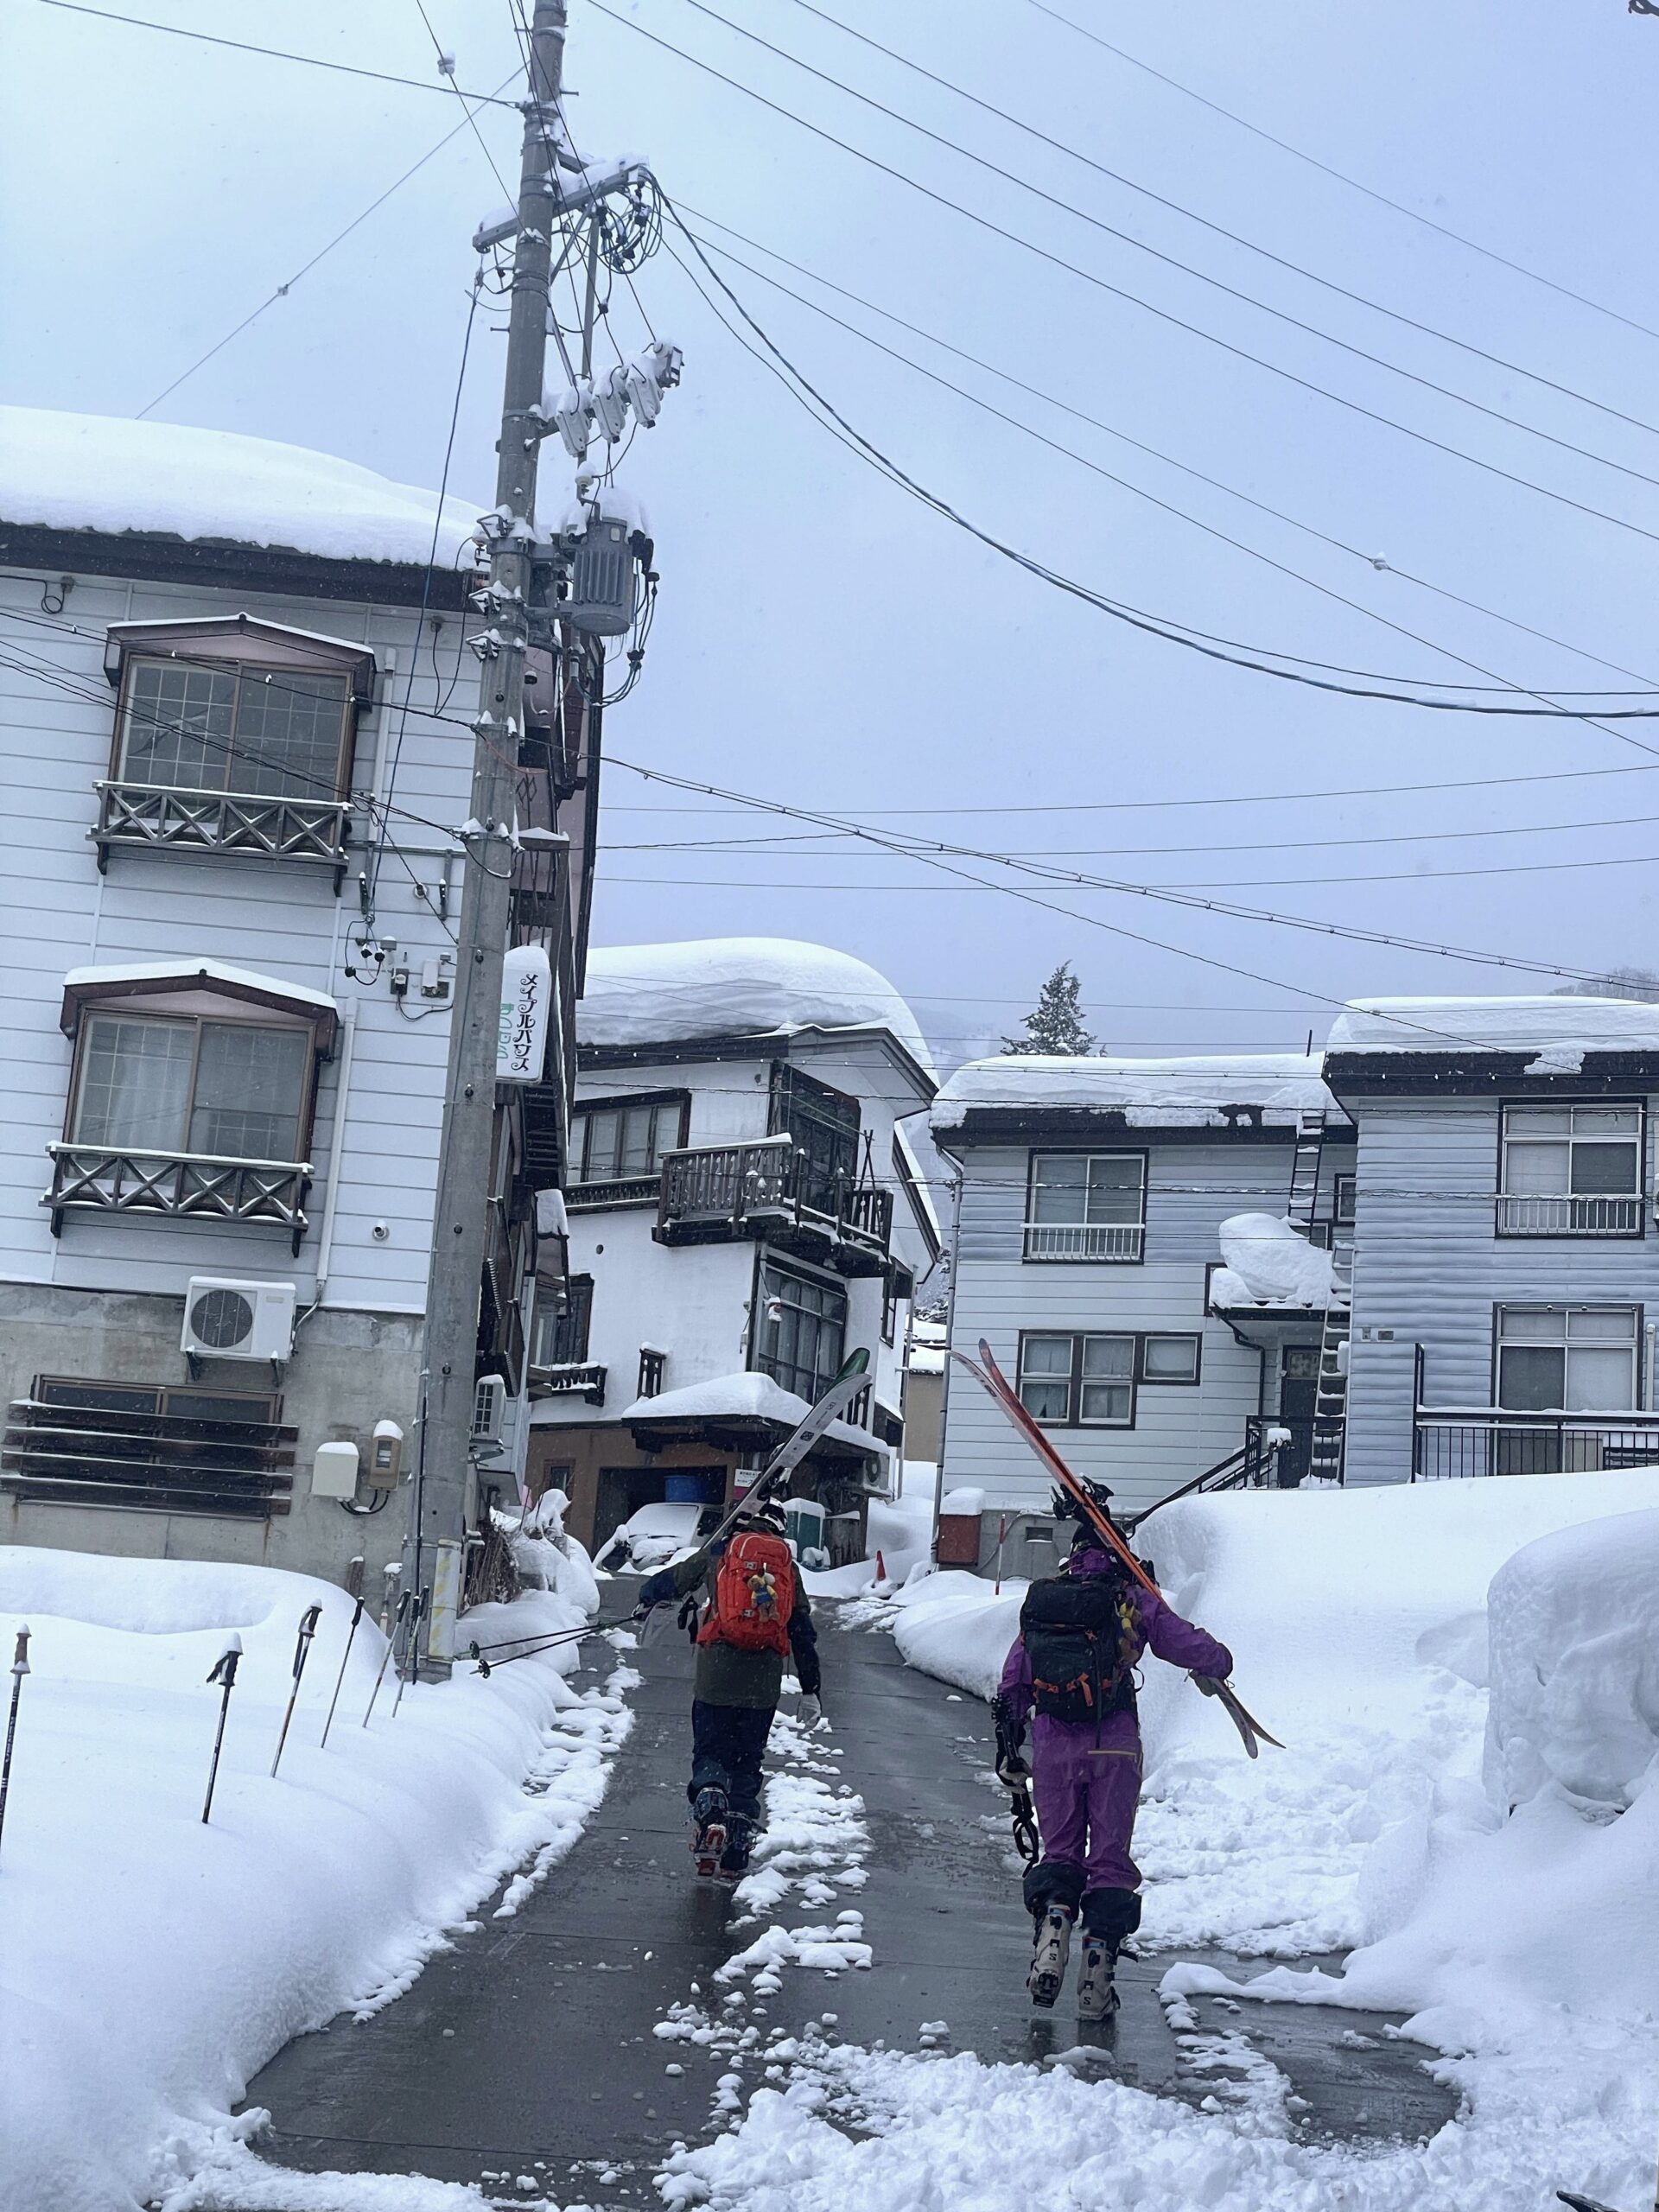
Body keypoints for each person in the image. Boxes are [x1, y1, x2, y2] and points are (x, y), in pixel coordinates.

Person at [994, 1494, 1233, 2020]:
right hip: (1115, 1743)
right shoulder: (1130, 1597)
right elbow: (1182, 1641)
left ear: (1073, 1556)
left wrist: (1010, 1743)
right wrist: (1220, 1660)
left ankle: (1053, 1929)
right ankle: (1095, 1986)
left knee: (1059, 1853)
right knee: (1107, 1860)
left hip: (1054, 1744)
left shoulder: (1047, 1603)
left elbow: (1015, 1680)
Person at [639, 1495, 822, 1879]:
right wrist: (811, 1689)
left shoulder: (720, 1553)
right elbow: (802, 1632)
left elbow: (670, 1582)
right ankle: (736, 1847)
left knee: (710, 1751)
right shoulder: (785, 1568)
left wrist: (645, 1600)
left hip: (715, 1678)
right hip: (763, 1682)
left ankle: (710, 1808)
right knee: (747, 1759)